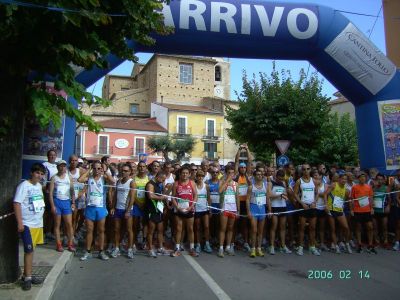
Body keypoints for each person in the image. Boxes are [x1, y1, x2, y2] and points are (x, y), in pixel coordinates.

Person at [14, 163, 46, 291]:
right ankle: (27, 278)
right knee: (28, 250)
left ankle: (28, 274)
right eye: (37, 173)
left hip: (37, 223)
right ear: (32, 173)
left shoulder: (39, 186)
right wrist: (20, 222)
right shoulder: (24, 186)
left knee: (32, 250)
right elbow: (17, 203)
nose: (39, 176)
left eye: (42, 174)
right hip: (27, 224)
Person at [79, 161, 115, 261]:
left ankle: (101, 251)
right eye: (95, 168)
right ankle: (88, 251)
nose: (97, 170)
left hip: (101, 208)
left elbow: (113, 182)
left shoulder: (104, 178)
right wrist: (89, 170)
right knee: (89, 231)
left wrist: (105, 171)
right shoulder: (89, 178)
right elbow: (80, 179)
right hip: (90, 208)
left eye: (99, 168)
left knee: (101, 231)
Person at [171, 165, 198, 257]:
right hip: (179, 209)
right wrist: (177, 207)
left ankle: (192, 248)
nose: (185, 175)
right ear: (180, 174)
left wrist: (191, 206)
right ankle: (177, 248)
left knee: (190, 229)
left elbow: (195, 196)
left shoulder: (192, 183)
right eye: (183, 173)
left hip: (189, 209)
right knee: (179, 229)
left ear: (189, 174)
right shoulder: (176, 183)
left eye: (186, 173)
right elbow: (173, 197)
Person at [48, 160, 76, 252]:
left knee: (69, 224)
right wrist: (52, 206)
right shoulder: (54, 178)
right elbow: (50, 193)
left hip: (66, 202)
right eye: (61, 166)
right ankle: (58, 244)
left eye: (64, 166)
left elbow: (72, 191)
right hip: (57, 202)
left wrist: (73, 202)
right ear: (58, 167)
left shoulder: (69, 177)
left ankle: (70, 243)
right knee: (57, 225)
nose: (62, 168)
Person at [293, 164, 320, 256]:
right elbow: (295, 194)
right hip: (303, 207)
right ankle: (300, 247)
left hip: (312, 207)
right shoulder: (299, 181)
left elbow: (317, 193)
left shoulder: (314, 181)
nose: (306, 171)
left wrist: (314, 202)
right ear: (302, 171)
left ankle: (312, 247)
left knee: (312, 228)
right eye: (304, 169)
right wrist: (302, 203)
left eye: (308, 169)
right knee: (302, 228)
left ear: (310, 170)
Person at [110, 163, 135, 259]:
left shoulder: (131, 182)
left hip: (127, 209)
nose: (124, 172)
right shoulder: (119, 181)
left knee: (129, 230)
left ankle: (129, 249)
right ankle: (116, 248)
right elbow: (115, 195)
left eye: (126, 171)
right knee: (117, 229)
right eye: (123, 170)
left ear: (130, 172)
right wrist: (112, 207)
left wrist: (128, 211)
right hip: (118, 208)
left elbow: (132, 198)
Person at [324, 173, 353, 254]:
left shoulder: (346, 189)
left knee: (346, 227)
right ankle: (336, 246)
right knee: (333, 229)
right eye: (343, 179)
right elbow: (325, 194)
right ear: (339, 179)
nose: (344, 180)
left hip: (339, 210)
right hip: (331, 210)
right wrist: (326, 205)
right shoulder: (334, 185)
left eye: (345, 179)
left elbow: (349, 198)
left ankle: (347, 244)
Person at [350, 172, 376, 254]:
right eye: (361, 177)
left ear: (366, 179)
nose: (362, 179)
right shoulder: (354, 187)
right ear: (358, 179)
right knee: (358, 228)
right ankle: (359, 244)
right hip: (357, 210)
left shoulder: (369, 187)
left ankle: (370, 245)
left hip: (367, 210)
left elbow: (371, 198)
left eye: (364, 177)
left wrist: (372, 208)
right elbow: (351, 199)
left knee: (370, 227)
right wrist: (351, 209)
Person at [218, 165, 240, 258]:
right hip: (224, 208)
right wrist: (227, 181)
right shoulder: (222, 181)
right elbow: (219, 191)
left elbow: (237, 197)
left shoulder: (236, 184)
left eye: (232, 173)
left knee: (231, 228)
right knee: (223, 228)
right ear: (226, 173)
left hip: (233, 208)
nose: (231, 174)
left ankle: (228, 247)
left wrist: (238, 210)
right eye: (229, 173)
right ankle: (221, 248)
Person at [247, 169, 270, 257]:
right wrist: (248, 211)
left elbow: (267, 198)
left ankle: (259, 249)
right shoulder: (251, 187)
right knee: (254, 230)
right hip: (253, 209)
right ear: (254, 176)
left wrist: (269, 210)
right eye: (257, 174)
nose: (259, 176)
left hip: (262, 210)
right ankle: (253, 249)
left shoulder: (265, 186)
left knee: (260, 231)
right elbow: (247, 199)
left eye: (261, 174)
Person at [145, 171, 169, 257]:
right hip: (151, 210)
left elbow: (162, 195)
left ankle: (160, 247)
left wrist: (166, 191)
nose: (163, 181)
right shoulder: (150, 184)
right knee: (151, 231)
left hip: (159, 210)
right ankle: (150, 249)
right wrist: (161, 197)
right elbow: (150, 196)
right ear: (158, 177)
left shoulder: (159, 184)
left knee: (160, 230)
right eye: (162, 179)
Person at [268, 169, 292, 254]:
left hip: (283, 206)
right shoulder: (271, 183)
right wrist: (279, 195)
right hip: (274, 207)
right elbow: (269, 195)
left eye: (282, 179)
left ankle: (283, 245)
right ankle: (272, 246)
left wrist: (286, 195)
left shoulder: (284, 183)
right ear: (276, 176)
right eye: (279, 178)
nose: (281, 180)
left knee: (282, 227)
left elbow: (285, 194)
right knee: (274, 227)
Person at [194, 170, 212, 253]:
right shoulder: (194, 186)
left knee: (206, 227)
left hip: (205, 209)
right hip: (197, 209)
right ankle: (198, 244)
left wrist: (210, 209)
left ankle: (207, 244)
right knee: (197, 227)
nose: (200, 177)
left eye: (201, 176)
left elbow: (208, 198)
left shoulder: (206, 186)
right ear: (196, 177)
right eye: (198, 176)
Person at [68, 155, 85, 242]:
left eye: (75, 160)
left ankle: (74, 234)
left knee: (77, 218)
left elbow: (87, 183)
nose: (73, 162)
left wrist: (81, 192)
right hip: (69, 197)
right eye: (72, 160)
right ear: (69, 161)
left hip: (79, 197)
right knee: (69, 218)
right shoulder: (66, 171)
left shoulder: (81, 171)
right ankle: (69, 235)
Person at [133, 161, 149, 250]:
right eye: (140, 166)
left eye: (143, 166)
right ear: (138, 168)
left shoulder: (149, 179)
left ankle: (144, 240)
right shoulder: (134, 178)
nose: (142, 168)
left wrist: (144, 204)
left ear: (146, 168)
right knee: (135, 225)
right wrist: (138, 203)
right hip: (136, 204)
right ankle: (134, 241)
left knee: (145, 224)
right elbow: (132, 193)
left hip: (146, 205)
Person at [42, 149, 58, 241]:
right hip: (47, 193)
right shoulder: (44, 165)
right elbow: (43, 180)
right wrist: (45, 189)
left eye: (54, 155)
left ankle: (48, 232)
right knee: (46, 213)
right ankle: (43, 233)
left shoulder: (57, 166)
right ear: (48, 156)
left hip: (56, 193)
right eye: (50, 155)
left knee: (53, 214)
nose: (52, 156)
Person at [372, 173, 391, 249]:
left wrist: (388, 206)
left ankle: (385, 242)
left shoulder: (386, 188)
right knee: (375, 227)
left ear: (383, 180)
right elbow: (370, 198)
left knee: (384, 227)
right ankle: (377, 242)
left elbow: (389, 199)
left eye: (381, 179)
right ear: (376, 180)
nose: (379, 181)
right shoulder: (373, 188)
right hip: (375, 210)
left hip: (383, 210)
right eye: (378, 179)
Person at [314, 171, 329, 251]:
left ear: (321, 176)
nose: (316, 176)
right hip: (315, 207)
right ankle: (314, 242)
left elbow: (325, 195)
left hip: (322, 207)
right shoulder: (313, 184)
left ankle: (322, 243)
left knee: (322, 227)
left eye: (317, 175)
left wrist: (326, 205)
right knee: (314, 226)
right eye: (315, 175)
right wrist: (321, 194)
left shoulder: (325, 185)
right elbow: (321, 194)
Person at [208, 167, 221, 246]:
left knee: (218, 224)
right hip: (210, 206)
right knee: (210, 224)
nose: (215, 174)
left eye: (216, 172)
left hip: (218, 205)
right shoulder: (207, 182)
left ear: (219, 173)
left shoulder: (221, 182)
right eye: (213, 172)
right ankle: (210, 239)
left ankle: (217, 239)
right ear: (211, 173)